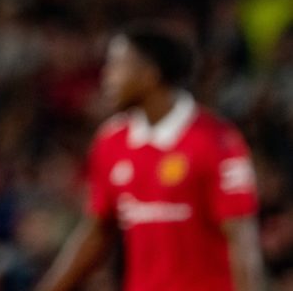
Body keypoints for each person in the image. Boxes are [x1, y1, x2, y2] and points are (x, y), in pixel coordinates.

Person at [36, 24, 264, 291]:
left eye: (117, 66)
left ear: (149, 74)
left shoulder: (216, 141)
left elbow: (242, 242)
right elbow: (97, 233)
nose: (107, 77)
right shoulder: (111, 141)